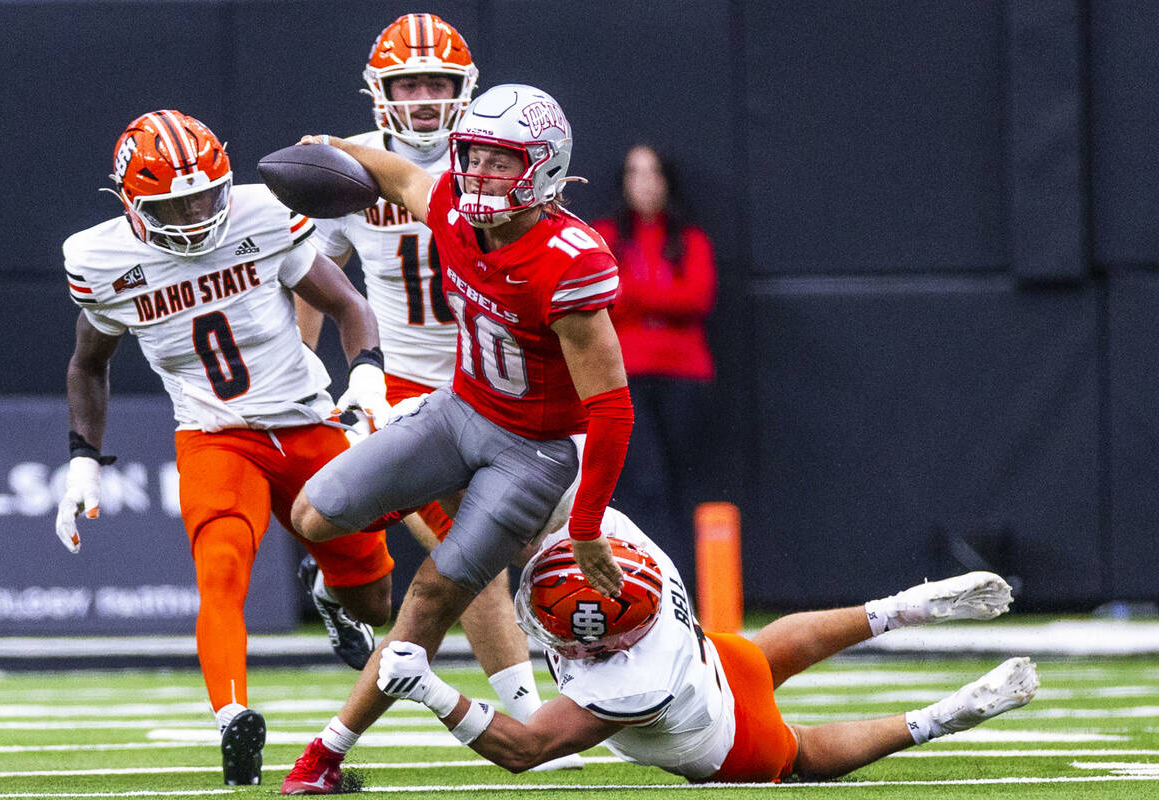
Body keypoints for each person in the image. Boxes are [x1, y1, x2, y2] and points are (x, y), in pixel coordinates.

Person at [278, 83, 633, 794]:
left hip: (530, 451)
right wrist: (336, 149)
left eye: (501, 162)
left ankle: (325, 756)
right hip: (457, 412)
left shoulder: (569, 259)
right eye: (472, 156)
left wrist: (588, 524)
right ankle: (362, 548)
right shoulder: (453, 210)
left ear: (545, 169)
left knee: (435, 595)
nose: (478, 174)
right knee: (312, 513)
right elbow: (403, 174)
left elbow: (613, 410)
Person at [56, 109, 397, 786]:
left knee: (375, 602)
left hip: (306, 422)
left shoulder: (262, 215)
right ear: (129, 204)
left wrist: (366, 374)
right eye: (172, 204)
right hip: (216, 436)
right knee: (220, 568)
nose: (192, 214)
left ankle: (330, 594)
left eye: (205, 195)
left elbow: (349, 307)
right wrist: (81, 460)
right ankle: (231, 715)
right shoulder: (102, 261)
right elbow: (87, 365)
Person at [375, 505, 1040, 783]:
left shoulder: (624, 685)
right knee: (763, 655)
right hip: (714, 659)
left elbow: (528, 749)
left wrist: (429, 689)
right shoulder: (634, 555)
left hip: (723, 741)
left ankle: (942, 717)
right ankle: (902, 607)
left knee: (801, 755)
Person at [590, 145, 717, 581]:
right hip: (624, 377)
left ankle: (694, 587)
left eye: (653, 172)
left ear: (667, 181)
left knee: (685, 485)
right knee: (644, 485)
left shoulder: (691, 238)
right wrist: (660, 302)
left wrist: (634, 295)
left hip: (685, 376)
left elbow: (697, 298)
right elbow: (601, 300)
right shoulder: (604, 235)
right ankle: (648, 582)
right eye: (634, 173)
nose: (644, 182)